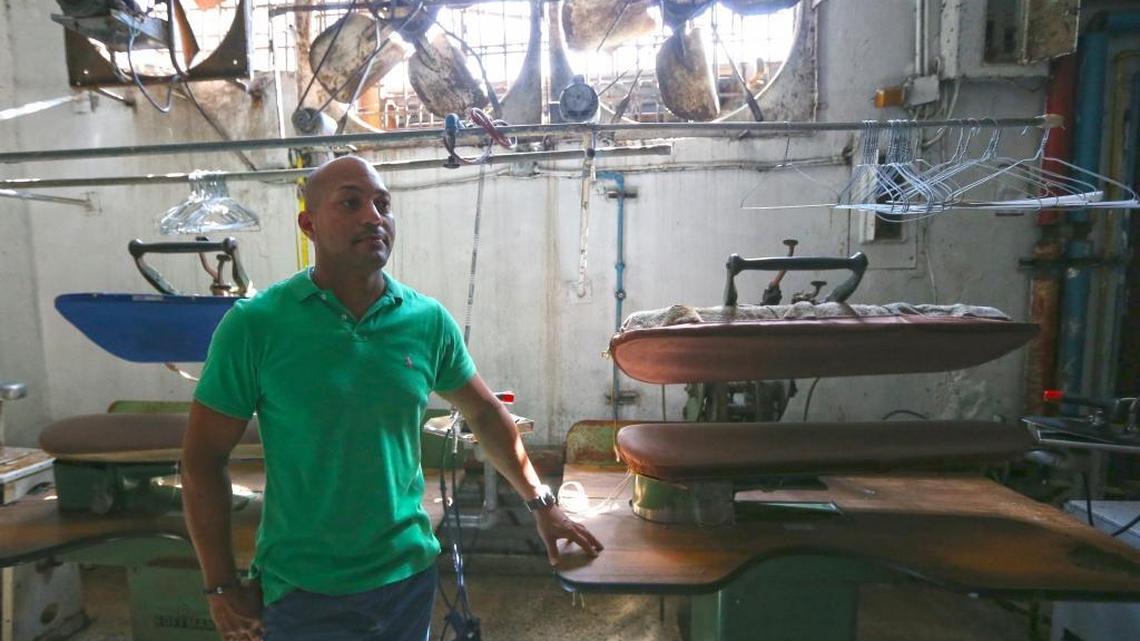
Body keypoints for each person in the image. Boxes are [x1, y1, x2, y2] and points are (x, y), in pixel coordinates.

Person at [181, 155, 603, 641]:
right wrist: (219, 585)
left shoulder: (425, 321)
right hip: (303, 588)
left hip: (407, 577)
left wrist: (542, 503)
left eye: (383, 204)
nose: (373, 216)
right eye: (351, 203)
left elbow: (486, 412)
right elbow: (201, 461)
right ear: (309, 224)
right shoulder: (256, 325)